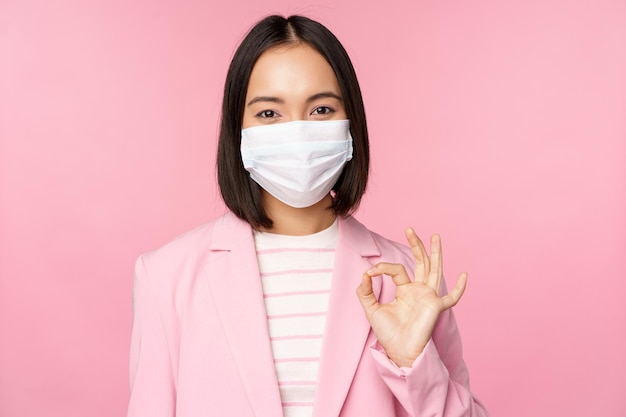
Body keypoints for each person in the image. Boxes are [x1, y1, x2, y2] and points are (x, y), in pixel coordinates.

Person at [127, 14, 489, 417]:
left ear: (351, 124)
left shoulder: (409, 281)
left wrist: (415, 365)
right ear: (238, 131)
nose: (297, 133)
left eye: (320, 109)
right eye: (269, 114)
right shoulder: (166, 277)